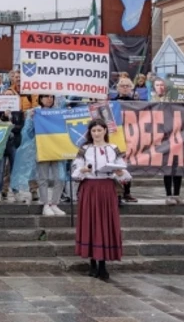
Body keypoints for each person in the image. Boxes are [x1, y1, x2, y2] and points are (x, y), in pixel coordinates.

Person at [71, 118, 131, 281]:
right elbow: (75, 173)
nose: (97, 133)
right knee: (90, 222)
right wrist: (82, 170)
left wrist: (120, 173)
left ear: (105, 131)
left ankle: (103, 265)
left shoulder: (113, 149)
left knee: (104, 223)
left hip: (106, 188)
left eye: (99, 130)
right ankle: (92, 263)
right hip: (89, 188)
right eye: (93, 131)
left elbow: (124, 173)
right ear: (90, 133)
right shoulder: (84, 149)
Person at [31, 95, 67, 216]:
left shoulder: (59, 112)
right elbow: (28, 132)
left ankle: (55, 203)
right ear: (40, 99)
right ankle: (45, 204)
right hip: (43, 149)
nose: (49, 99)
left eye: (51, 96)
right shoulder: (35, 112)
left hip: (57, 148)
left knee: (60, 178)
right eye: (45, 97)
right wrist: (31, 120)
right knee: (43, 178)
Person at [111, 78, 137, 204]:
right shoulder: (112, 102)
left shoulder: (136, 103)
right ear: (118, 88)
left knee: (127, 166)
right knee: (116, 165)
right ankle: (116, 192)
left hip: (130, 136)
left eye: (127, 86)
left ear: (131, 88)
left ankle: (127, 191)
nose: (125, 88)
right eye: (122, 86)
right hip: (115, 137)